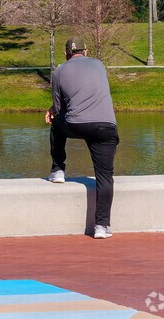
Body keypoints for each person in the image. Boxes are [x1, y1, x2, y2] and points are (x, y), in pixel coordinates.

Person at [45, 37, 119, 239]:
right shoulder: (99, 64)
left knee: (56, 121)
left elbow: (59, 108)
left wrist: (52, 111)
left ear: (65, 53)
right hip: (106, 126)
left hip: (77, 124)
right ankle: (102, 227)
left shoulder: (59, 71)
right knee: (105, 176)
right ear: (86, 50)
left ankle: (58, 169)